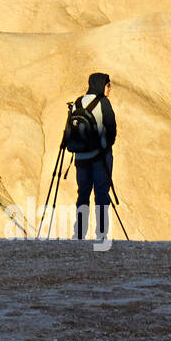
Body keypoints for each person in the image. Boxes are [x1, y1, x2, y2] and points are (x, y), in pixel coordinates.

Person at [70, 72, 117, 240]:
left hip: (81, 158)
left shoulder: (77, 103)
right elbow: (111, 130)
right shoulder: (103, 103)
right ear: (100, 85)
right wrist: (104, 147)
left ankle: (79, 233)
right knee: (101, 194)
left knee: (83, 193)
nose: (110, 89)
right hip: (100, 158)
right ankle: (101, 234)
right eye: (108, 85)